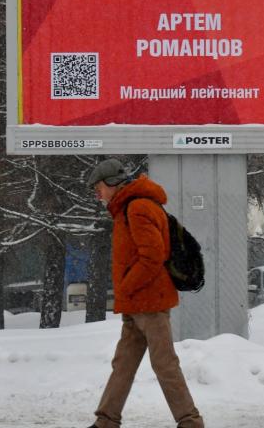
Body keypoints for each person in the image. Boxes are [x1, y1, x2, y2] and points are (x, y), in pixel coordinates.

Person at [84, 158, 204, 428]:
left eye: (98, 187)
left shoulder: (137, 207)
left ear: (111, 183)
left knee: (164, 364)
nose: (97, 194)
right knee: (123, 364)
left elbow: (152, 256)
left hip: (149, 302)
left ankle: (190, 421)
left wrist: (126, 286)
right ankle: (106, 420)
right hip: (137, 303)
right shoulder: (127, 208)